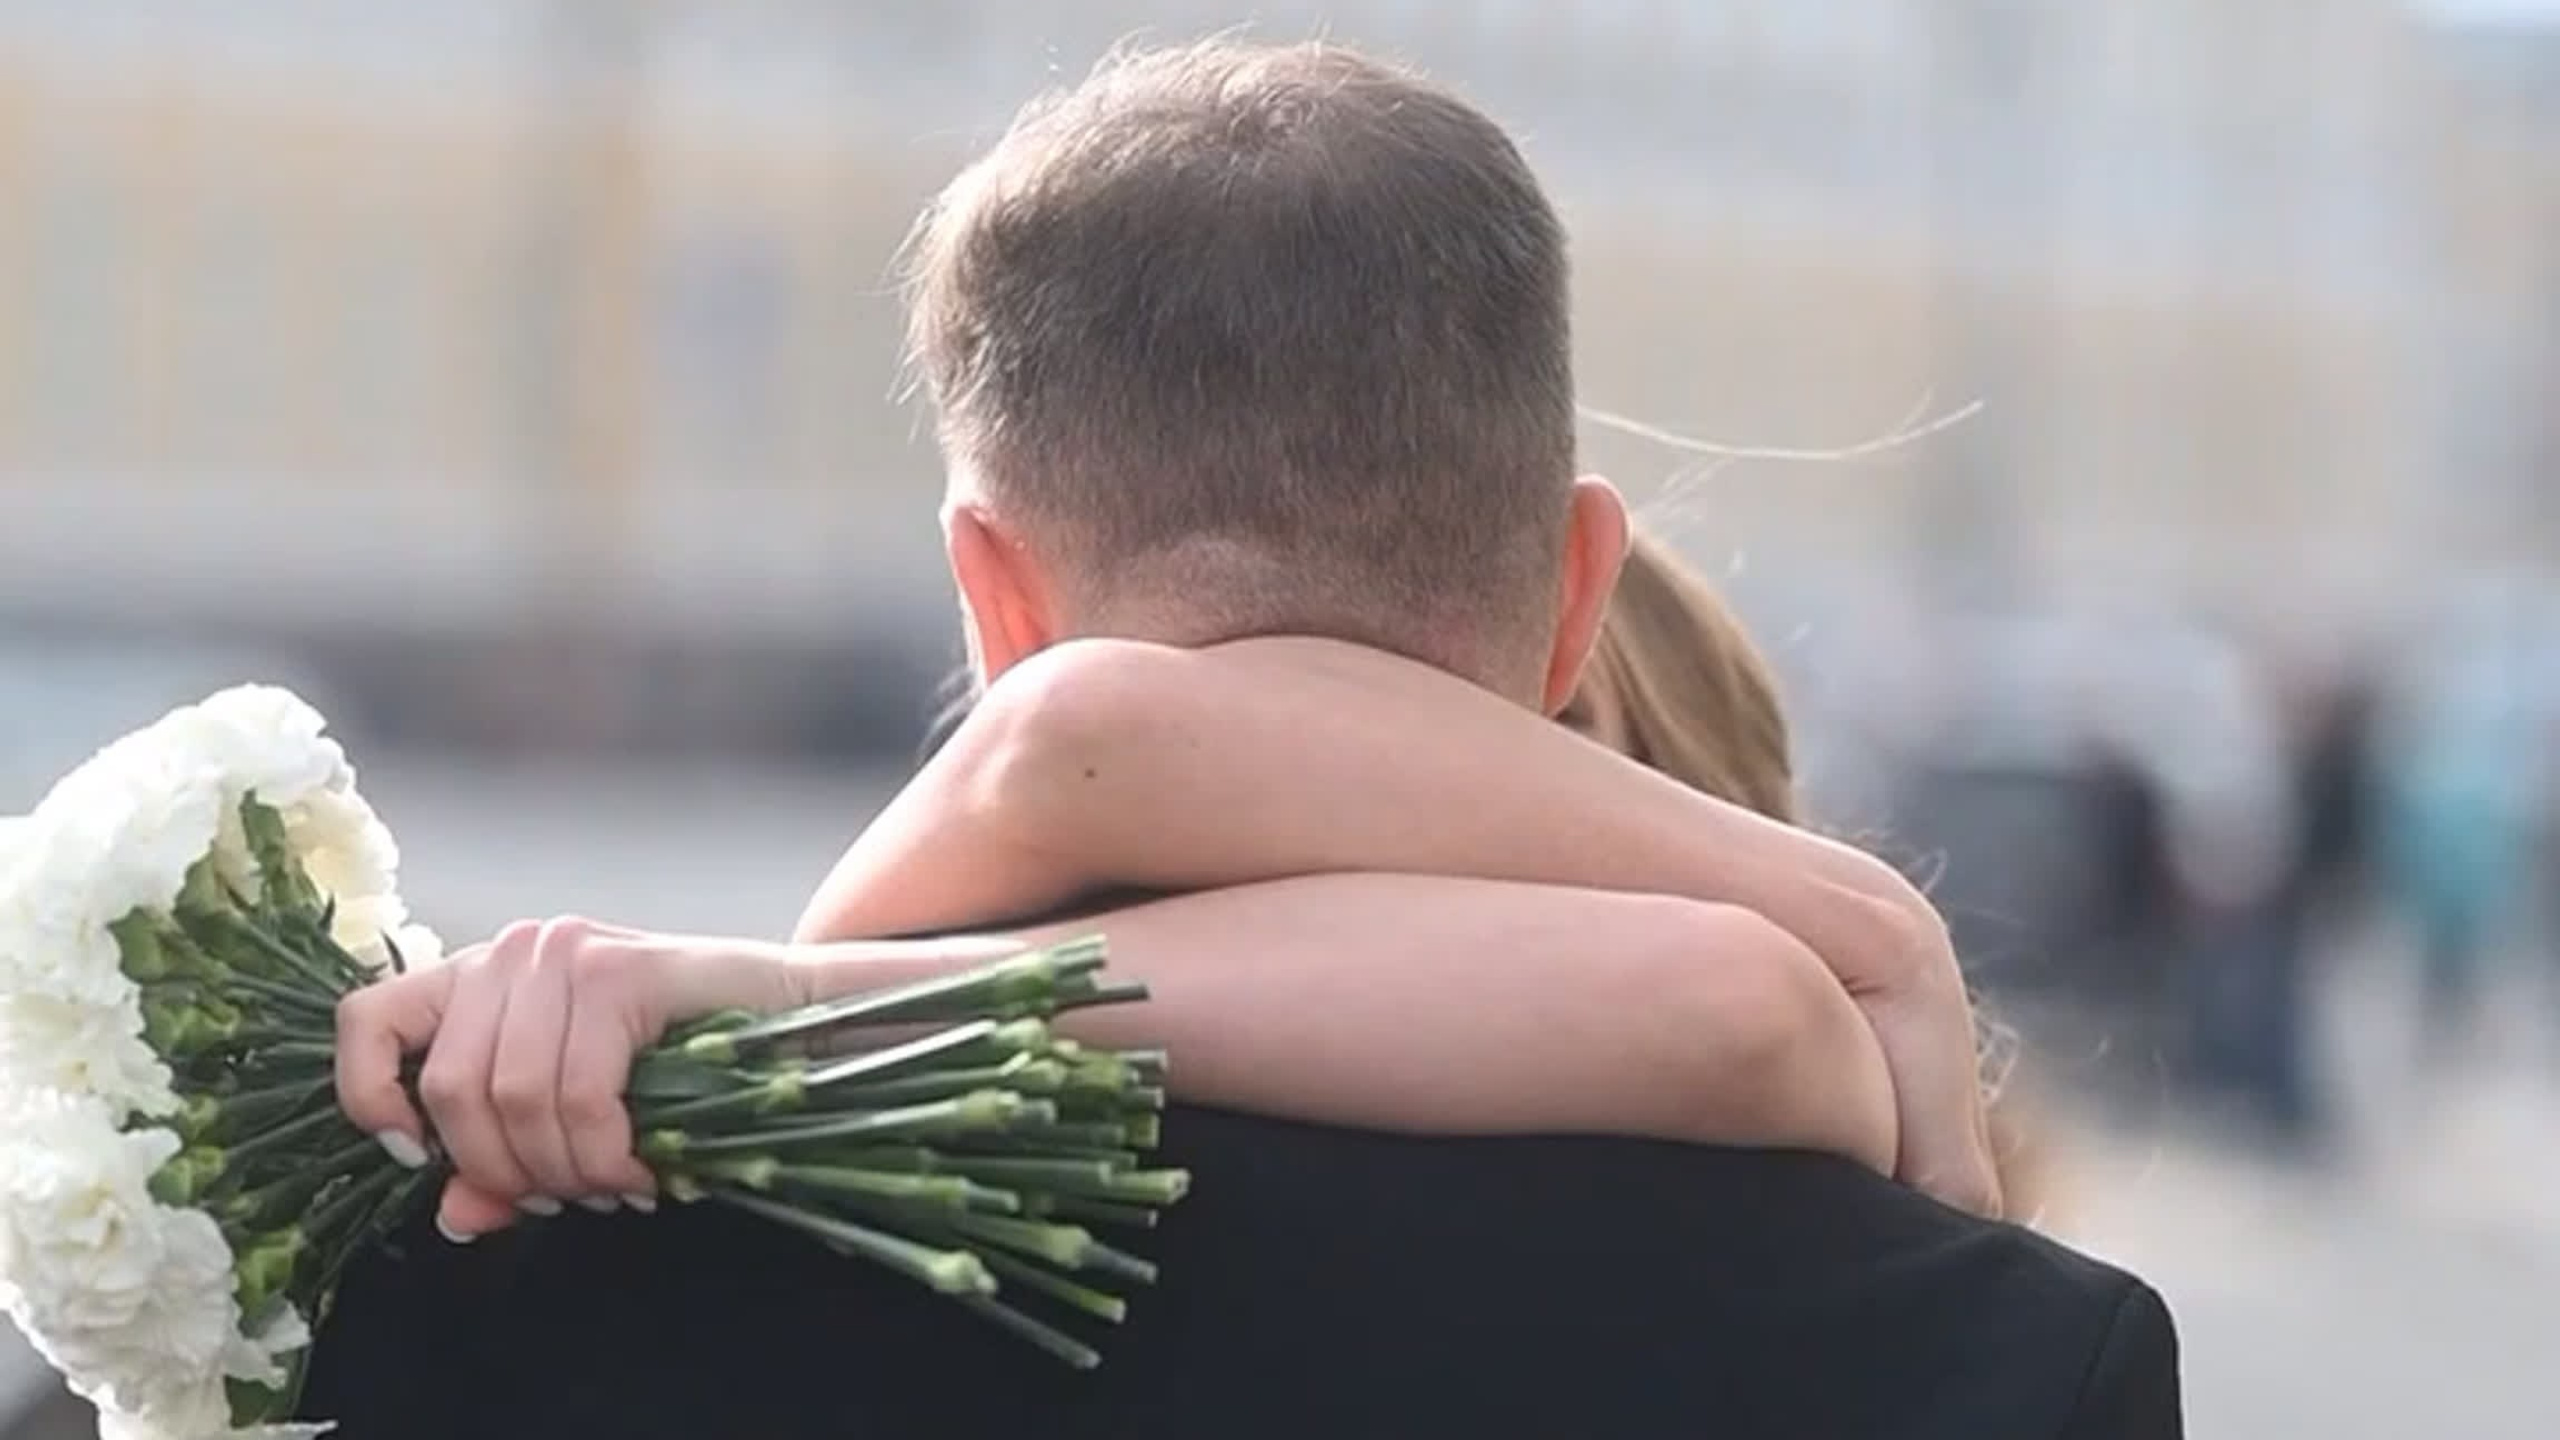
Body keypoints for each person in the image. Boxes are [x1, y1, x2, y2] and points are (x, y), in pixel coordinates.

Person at [309, 38, 2177, 1438]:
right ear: (1577, 593)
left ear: (992, 595)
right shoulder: (1998, 1343)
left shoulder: (534, 1256)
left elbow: (1077, 745)